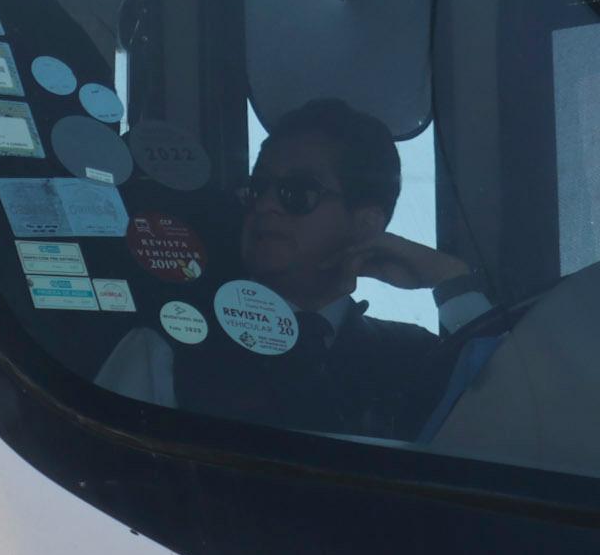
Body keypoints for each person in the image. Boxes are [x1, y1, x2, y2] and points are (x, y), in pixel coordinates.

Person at [100, 98, 488, 437]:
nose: (265, 206)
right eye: (258, 188)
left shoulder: (418, 358)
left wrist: (451, 282)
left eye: (296, 193)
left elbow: (525, 419)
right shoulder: (170, 344)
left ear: (365, 224)